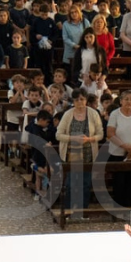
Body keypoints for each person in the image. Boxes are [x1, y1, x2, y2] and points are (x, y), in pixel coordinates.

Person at [56, 90, 104, 220]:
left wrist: (89, 139)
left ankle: (83, 211)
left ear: (86, 100)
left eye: (82, 99)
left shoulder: (93, 114)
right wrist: (73, 138)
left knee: (86, 183)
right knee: (71, 183)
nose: (79, 102)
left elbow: (100, 134)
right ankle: (68, 212)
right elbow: (58, 134)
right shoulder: (68, 114)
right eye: (76, 100)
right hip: (71, 154)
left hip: (88, 153)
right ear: (73, 101)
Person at [104, 90, 131, 210]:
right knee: (119, 180)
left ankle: (129, 206)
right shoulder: (115, 114)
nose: (129, 102)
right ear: (121, 101)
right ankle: (118, 206)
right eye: (126, 99)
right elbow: (110, 133)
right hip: (118, 152)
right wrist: (125, 146)